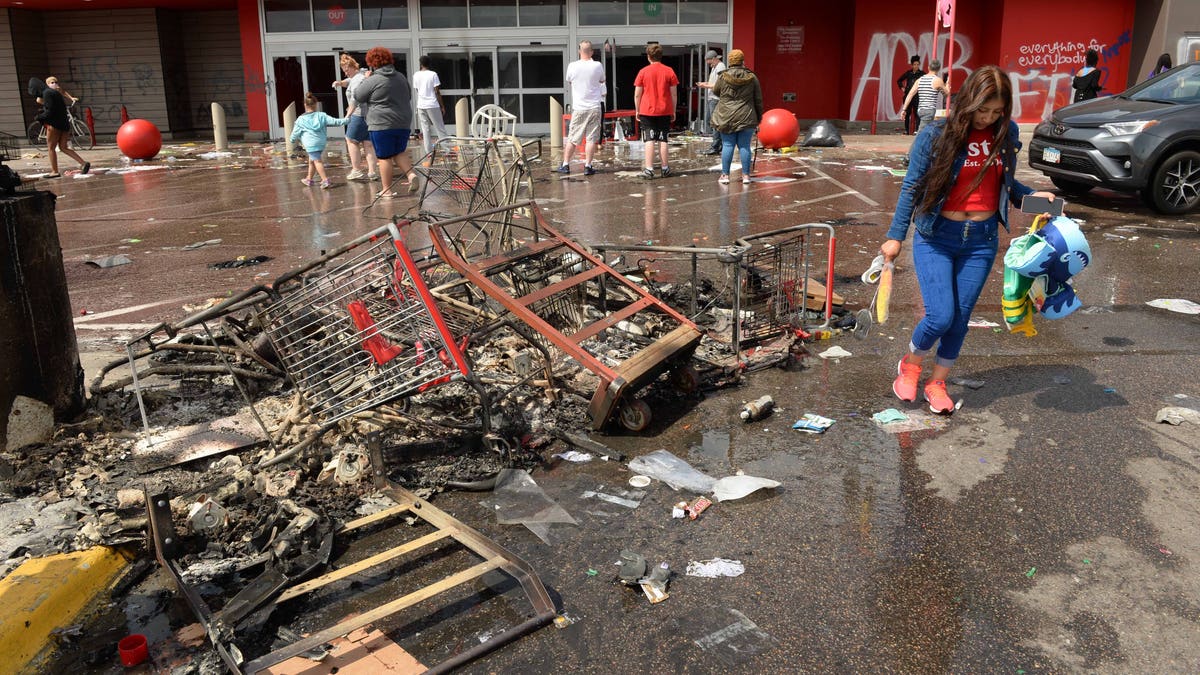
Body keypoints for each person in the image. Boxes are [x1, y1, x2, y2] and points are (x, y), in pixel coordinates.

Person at [881, 64, 1056, 414]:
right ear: (967, 102)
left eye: (996, 112)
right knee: (940, 316)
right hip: (936, 237)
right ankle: (911, 364)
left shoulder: (1006, 135)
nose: (987, 118)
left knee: (960, 319)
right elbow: (912, 187)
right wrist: (895, 237)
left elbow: (1009, 189)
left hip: (981, 240)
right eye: (982, 110)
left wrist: (1041, 199)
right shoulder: (935, 135)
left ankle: (937, 382)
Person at [354, 47, 418, 199]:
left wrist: (365, 79)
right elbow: (408, 95)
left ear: (372, 62)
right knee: (398, 152)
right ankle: (411, 175)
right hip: (403, 122)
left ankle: (386, 190)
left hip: (381, 123)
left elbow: (358, 95)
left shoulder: (374, 79)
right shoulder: (401, 77)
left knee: (384, 157)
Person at [710, 49, 763, 186]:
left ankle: (725, 175)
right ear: (742, 61)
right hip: (747, 115)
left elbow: (716, 91)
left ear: (730, 62)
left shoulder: (723, 76)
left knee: (728, 145)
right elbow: (758, 99)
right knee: (744, 146)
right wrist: (759, 117)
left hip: (726, 116)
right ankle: (746, 175)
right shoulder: (752, 77)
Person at [557, 40, 606, 176]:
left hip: (579, 107)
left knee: (573, 137)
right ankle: (588, 166)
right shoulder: (597, 65)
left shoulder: (572, 66)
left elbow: (569, 80)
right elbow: (602, 80)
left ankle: (566, 164)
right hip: (594, 107)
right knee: (591, 138)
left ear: (579, 51)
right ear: (591, 52)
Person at [633, 43, 679, 179]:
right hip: (665, 109)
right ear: (661, 56)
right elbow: (674, 94)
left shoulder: (643, 72)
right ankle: (665, 168)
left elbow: (637, 94)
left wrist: (637, 110)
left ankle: (649, 169)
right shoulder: (669, 71)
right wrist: (673, 110)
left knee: (649, 139)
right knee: (663, 139)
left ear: (649, 57)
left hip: (647, 110)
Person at [332, 54, 378, 182]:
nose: (345, 73)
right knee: (368, 144)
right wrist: (340, 83)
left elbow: (355, 98)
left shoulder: (357, 79)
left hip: (358, 114)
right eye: (344, 71)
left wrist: (347, 115)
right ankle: (372, 172)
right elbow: (350, 81)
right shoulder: (361, 75)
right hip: (369, 116)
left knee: (351, 140)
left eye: (347, 70)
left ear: (353, 67)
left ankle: (356, 170)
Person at [289, 92, 348, 189]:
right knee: (312, 161)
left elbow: (295, 132)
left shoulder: (301, 119)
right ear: (316, 104)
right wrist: (346, 120)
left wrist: (292, 140)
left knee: (317, 161)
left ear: (305, 105)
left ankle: (325, 180)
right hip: (320, 142)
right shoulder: (322, 115)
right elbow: (335, 121)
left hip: (310, 144)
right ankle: (309, 179)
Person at [38, 76, 88, 178]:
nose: (54, 83)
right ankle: (83, 163)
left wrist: (70, 98)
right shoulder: (49, 93)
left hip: (55, 123)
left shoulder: (52, 91)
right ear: (47, 83)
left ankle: (54, 171)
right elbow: (39, 100)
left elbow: (63, 94)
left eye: (55, 82)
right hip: (64, 123)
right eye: (52, 82)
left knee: (51, 147)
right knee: (63, 147)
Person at [412, 55, 448, 156]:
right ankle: (446, 149)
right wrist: (442, 106)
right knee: (439, 127)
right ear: (429, 63)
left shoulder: (416, 75)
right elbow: (437, 91)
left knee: (425, 129)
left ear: (421, 64)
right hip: (432, 104)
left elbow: (417, 90)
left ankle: (428, 152)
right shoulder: (433, 74)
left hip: (421, 105)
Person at [902, 59, 949, 133]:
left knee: (929, 132)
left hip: (920, 110)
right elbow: (946, 94)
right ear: (938, 69)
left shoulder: (920, 80)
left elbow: (910, 95)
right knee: (922, 133)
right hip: (929, 110)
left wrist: (904, 109)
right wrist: (947, 84)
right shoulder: (937, 80)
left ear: (928, 67)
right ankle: (918, 144)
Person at [696, 49, 726, 154]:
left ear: (713, 59)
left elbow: (719, 85)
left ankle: (716, 146)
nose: (708, 64)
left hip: (716, 99)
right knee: (711, 122)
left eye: (708, 61)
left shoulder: (720, 67)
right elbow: (714, 82)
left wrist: (705, 85)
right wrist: (705, 83)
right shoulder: (715, 68)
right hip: (712, 99)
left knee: (714, 123)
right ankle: (718, 145)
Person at [897, 56, 923, 134]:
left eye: (917, 64)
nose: (916, 66)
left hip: (917, 96)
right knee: (907, 113)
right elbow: (899, 80)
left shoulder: (922, 74)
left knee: (917, 113)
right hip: (908, 96)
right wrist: (902, 88)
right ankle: (906, 130)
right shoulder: (908, 73)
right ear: (912, 65)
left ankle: (916, 130)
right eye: (914, 64)